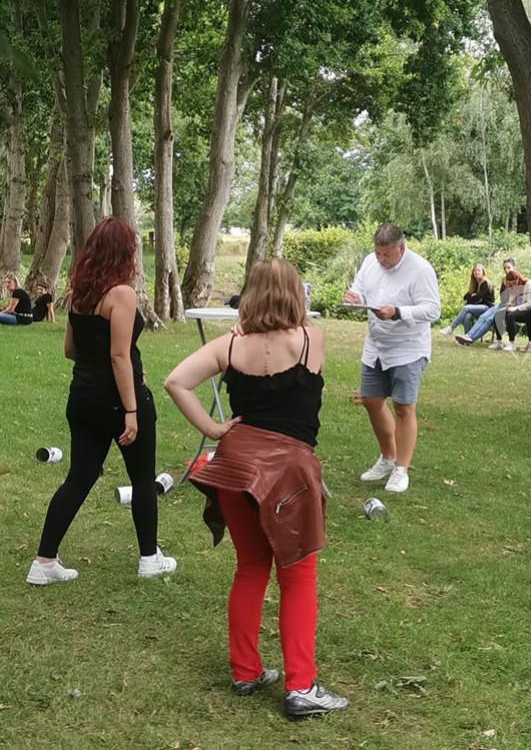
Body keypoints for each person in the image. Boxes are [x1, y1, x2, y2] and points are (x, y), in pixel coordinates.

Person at [165, 258, 348, 719]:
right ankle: (301, 687)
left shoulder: (230, 344)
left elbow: (176, 381)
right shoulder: (311, 339)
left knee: (251, 568)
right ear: (295, 294)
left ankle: (246, 670)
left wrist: (213, 426)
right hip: (289, 473)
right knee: (298, 576)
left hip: (235, 466)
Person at [26, 218, 177, 585]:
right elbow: (119, 356)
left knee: (80, 476)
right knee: (142, 478)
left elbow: (69, 350)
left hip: (82, 396)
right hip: (118, 399)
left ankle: (44, 562)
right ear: (125, 253)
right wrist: (131, 410)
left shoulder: (80, 292)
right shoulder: (121, 294)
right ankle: (148, 558)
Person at [344, 223, 440, 494]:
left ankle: (401, 468)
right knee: (372, 400)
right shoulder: (370, 263)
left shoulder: (420, 269)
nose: (381, 260)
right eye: (377, 253)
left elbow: (433, 310)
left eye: (387, 255)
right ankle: (387, 457)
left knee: (403, 407)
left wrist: (397, 312)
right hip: (375, 345)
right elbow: (360, 289)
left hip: (408, 348)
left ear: (402, 247)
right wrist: (355, 298)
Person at [456, 258, 517, 346]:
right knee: (483, 316)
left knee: (488, 319)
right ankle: (468, 336)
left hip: (511, 306)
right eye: (505, 268)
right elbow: (502, 296)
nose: (506, 270)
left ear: (514, 267)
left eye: (509, 268)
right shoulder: (504, 279)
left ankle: (470, 339)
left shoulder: (518, 279)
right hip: (502, 304)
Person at [494, 270, 531, 353]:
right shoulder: (513, 287)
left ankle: (512, 343)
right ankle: (499, 341)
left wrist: (516, 308)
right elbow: (512, 300)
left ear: (517, 279)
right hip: (519, 309)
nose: (511, 286)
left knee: (510, 316)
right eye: (509, 284)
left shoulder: (529, 284)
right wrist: (510, 305)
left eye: (513, 284)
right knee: (498, 314)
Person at [442, 264, 495, 336]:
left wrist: (474, 297)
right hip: (479, 307)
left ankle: (451, 327)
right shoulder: (475, 283)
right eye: (475, 270)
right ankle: (467, 338)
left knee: (466, 308)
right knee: (467, 315)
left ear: (483, 272)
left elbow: (477, 298)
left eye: (479, 270)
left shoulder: (485, 283)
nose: (477, 272)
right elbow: (465, 297)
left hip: (487, 308)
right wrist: (473, 297)